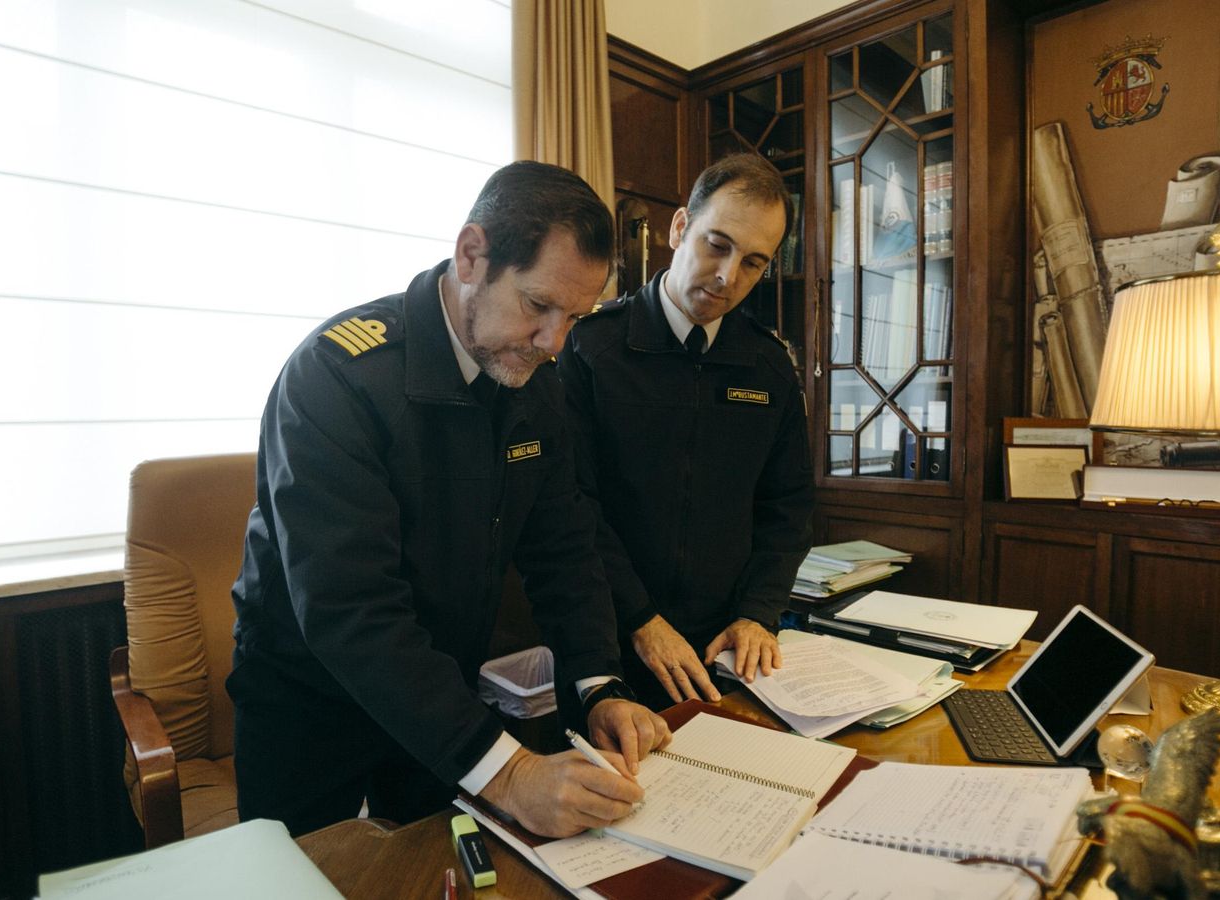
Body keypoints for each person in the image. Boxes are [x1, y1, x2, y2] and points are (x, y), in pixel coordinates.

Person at [228, 161, 671, 840]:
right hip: (308, 698)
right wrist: (513, 774)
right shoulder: (335, 377)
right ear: (472, 255)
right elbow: (352, 611)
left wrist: (598, 684)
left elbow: (564, 545)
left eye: (574, 319)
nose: (555, 343)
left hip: (438, 691)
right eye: (537, 306)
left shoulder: (534, 378)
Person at [558, 153, 815, 709]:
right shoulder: (592, 347)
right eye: (716, 245)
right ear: (679, 228)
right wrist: (641, 619)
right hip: (610, 640)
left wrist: (758, 613)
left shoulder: (768, 365)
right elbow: (570, 502)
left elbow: (788, 507)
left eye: (752, 262)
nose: (727, 277)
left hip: (725, 650)